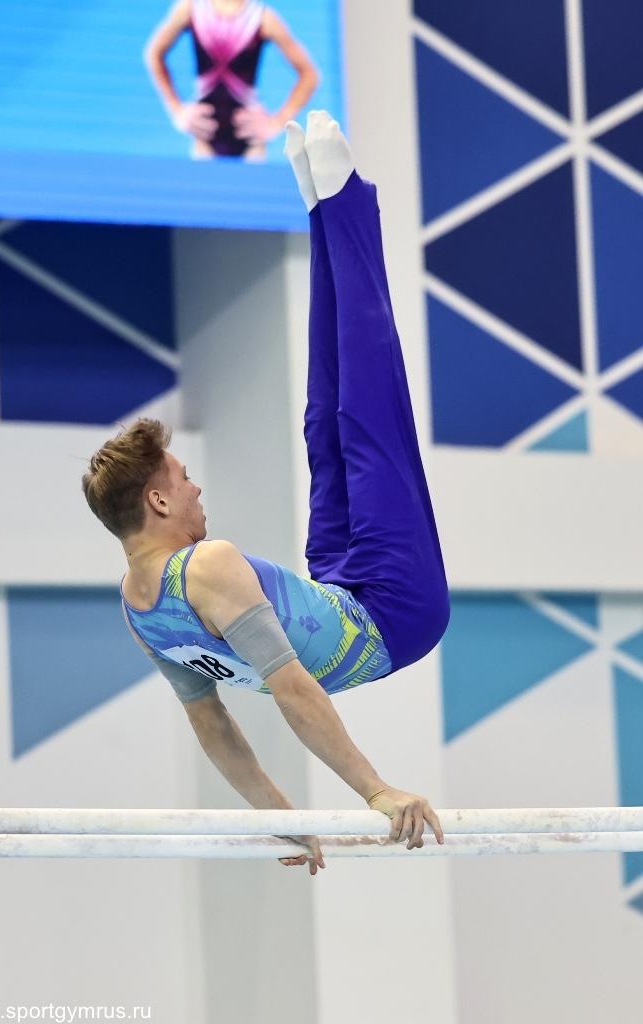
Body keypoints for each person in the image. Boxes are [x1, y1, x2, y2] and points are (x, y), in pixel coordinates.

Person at [82, 111, 450, 874]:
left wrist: (284, 818)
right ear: (156, 503)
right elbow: (289, 692)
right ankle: (346, 204)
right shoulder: (207, 564)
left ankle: (319, 208)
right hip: (396, 611)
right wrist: (375, 791)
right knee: (368, 407)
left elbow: (214, 725)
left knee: (325, 417)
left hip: (341, 588)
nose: (196, 486)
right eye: (182, 479)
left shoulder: (138, 606)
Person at [143, 0, 320, 159]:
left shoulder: (262, 18)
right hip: (205, 140)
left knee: (252, 185)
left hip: (250, 143)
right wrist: (176, 110)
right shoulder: (191, 8)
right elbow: (154, 53)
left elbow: (309, 74)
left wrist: (277, 122)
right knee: (204, 185)